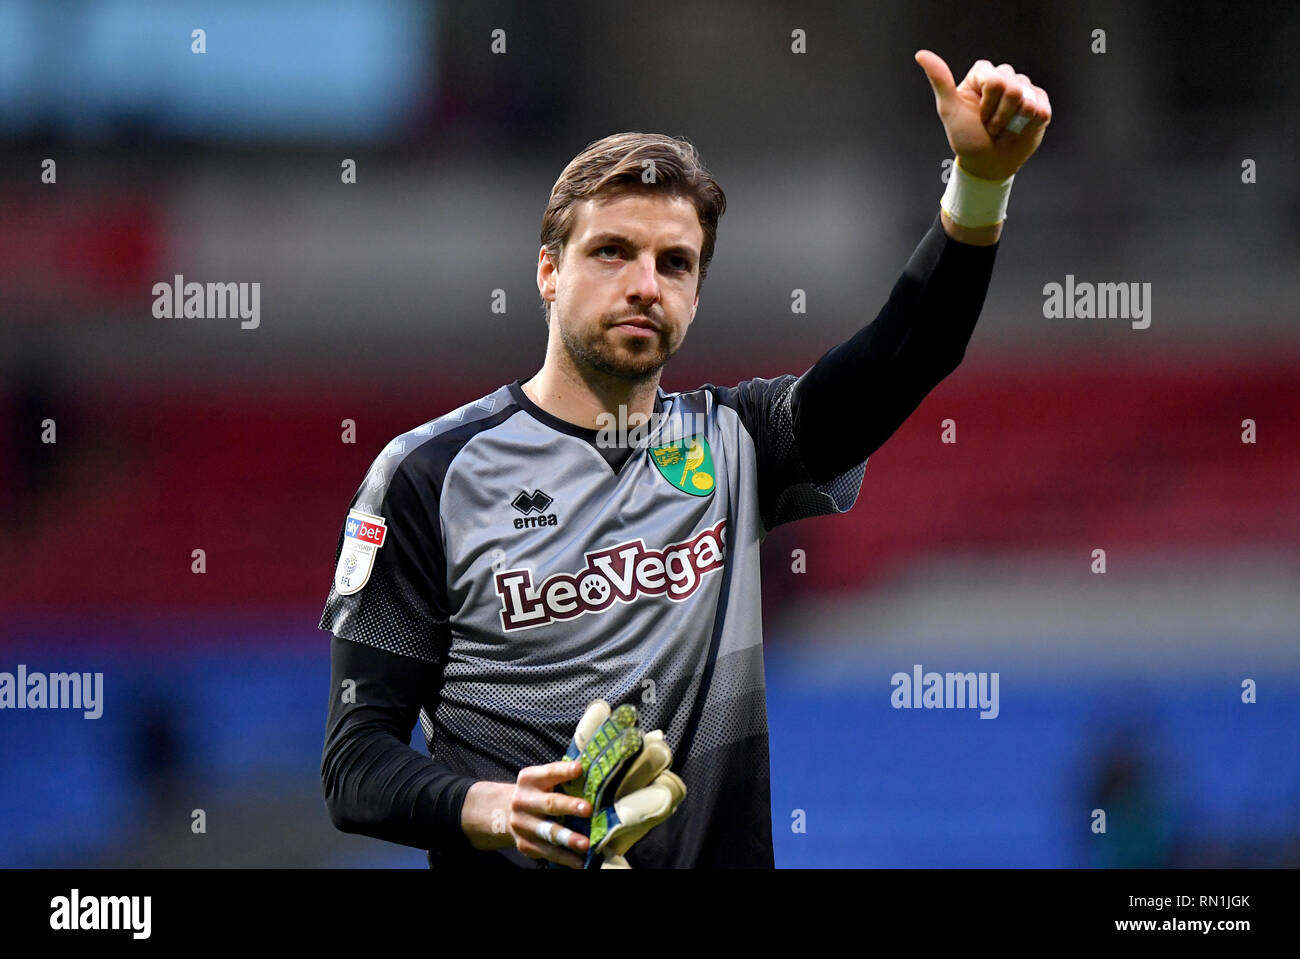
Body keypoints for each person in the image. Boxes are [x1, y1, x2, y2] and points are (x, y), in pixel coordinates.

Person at [319, 50, 1051, 868]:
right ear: (548, 272)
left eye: (675, 263)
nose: (645, 284)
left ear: (696, 294)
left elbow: (903, 358)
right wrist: (497, 807)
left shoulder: (737, 442)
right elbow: (355, 767)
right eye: (611, 252)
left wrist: (980, 186)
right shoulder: (428, 476)